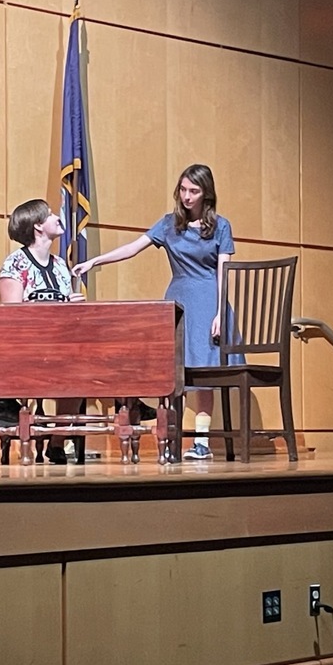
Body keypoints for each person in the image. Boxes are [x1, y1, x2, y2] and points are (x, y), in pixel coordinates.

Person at [72, 163, 241, 460]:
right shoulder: (168, 224)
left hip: (208, 301)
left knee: (203, 373)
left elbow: (223, 273)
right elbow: (133, 247)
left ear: (206, 194)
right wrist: (95, 262)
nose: (186, 196)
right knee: (173, 373)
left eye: (194, 191)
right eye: (183, 189)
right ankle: (171, 439)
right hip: (179, 299)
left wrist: (219, 313)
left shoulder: (220, 226)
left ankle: (201, 442)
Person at [0, 198, 84, 464]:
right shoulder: (15, 263)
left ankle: (57, 440)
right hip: (27, 349)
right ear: (38, 226)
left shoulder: (60, 265)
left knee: (83, 364)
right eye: (51, 214)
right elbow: (9, 316)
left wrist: (71, 305)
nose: (57, 217)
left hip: (61, 345)